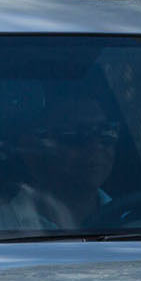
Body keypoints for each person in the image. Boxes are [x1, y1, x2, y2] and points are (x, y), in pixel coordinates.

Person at [12, 89, 123, 229]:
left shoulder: (138, 220)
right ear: (31, 149)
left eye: (106, 132)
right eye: (76, 135)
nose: (96, 146)